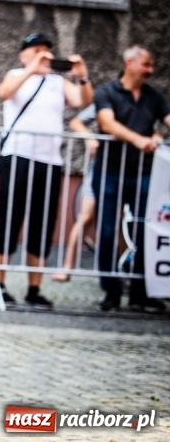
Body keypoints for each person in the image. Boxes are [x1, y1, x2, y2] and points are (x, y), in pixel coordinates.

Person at [0, 33, 93, 309]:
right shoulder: (16, 74)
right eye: (36, 50)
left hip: (50, 161)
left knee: (42, 222)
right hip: (18, 156)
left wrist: (82, 75)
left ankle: (35, 288)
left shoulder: (58, 82)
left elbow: (82, 100)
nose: (42, 55)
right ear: (23, 54)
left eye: (47, 51)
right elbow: (3, 93)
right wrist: (34, 68)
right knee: (8, 219)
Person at [94, 45, 170, 314]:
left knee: (145, 231)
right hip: (110, 170)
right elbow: (107, 124)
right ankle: (111, 291)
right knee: (106, 231)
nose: (150, 70)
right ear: (129, 63)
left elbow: (167, 118)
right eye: (146, 65)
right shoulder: (107, 92)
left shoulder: (153, 96)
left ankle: (140, 292)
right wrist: (139, 139)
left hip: (144, 173)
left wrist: (159, 137)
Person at [53, 104, 98, 282]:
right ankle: (67, 267)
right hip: (104, 168)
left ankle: (123, 268)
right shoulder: (108, 95)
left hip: (137, 168)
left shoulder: (150, 98)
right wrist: (89, 138)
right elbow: (77, 122)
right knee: (86, 217)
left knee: (122, 223)